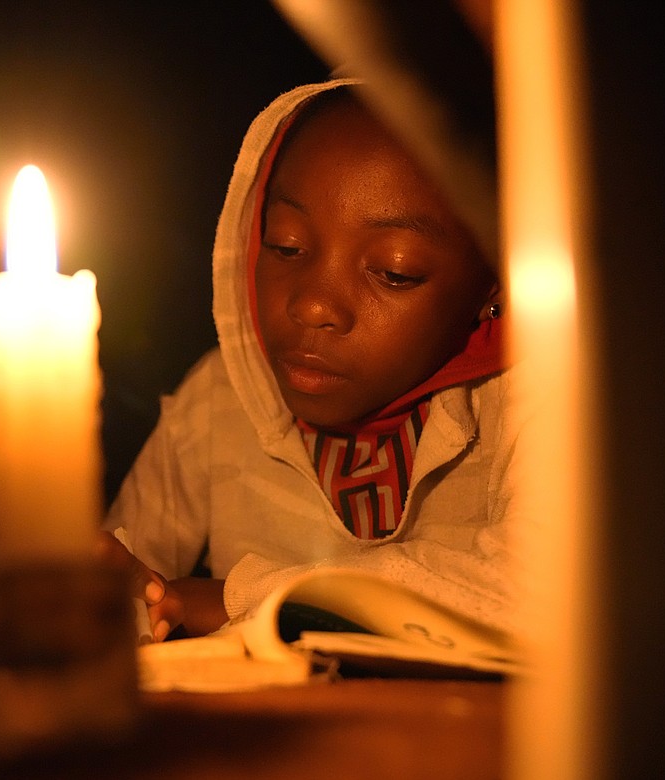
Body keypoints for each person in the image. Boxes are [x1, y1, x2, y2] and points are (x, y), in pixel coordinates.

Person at [100, 78, 517, 643]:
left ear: (493, 281)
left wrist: (234, 598)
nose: (313, 305)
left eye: (394, 271)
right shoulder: (221, 402)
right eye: (286, 245)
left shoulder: (537, 403)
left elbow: (546, 594)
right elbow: (126, 593)